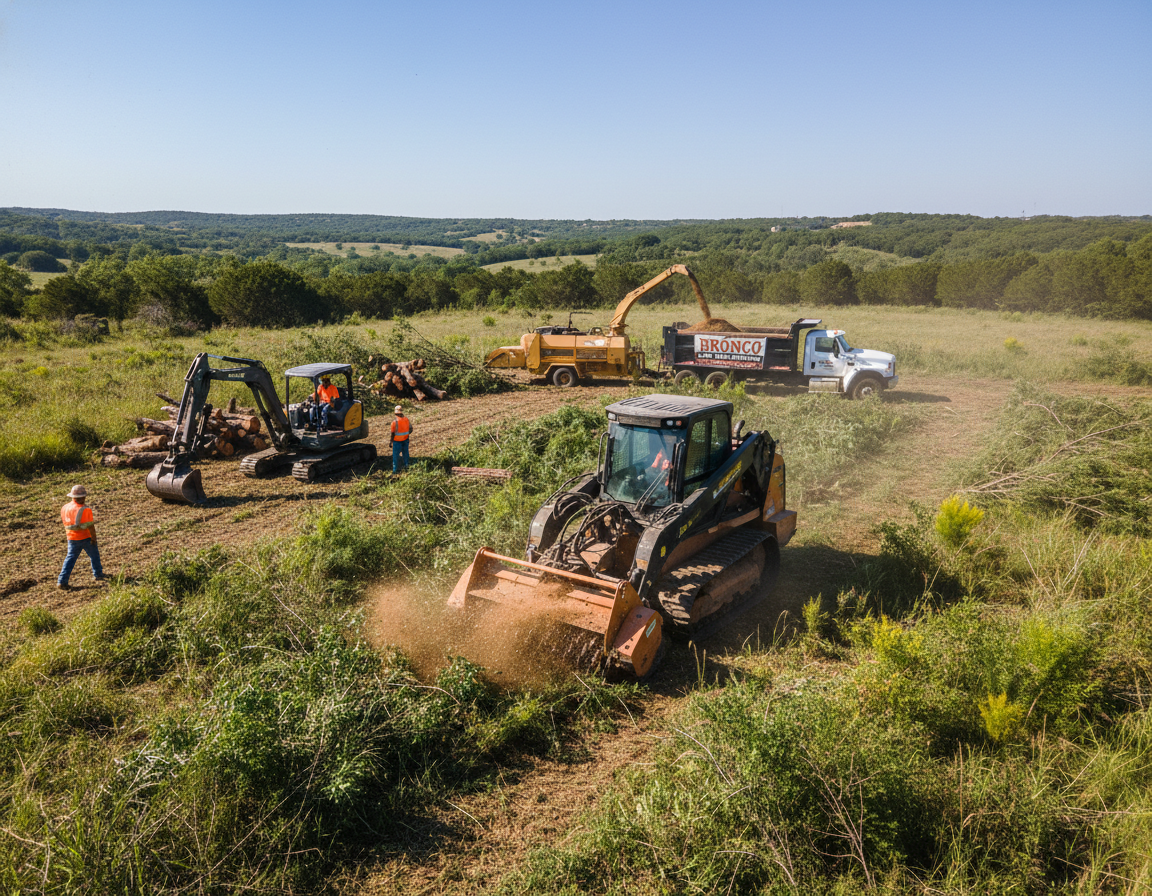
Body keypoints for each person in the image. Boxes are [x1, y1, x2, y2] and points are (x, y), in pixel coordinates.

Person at [57, 485, 105, 590]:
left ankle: (62, 581)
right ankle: (98, 574)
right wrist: (94, 538)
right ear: (83, 497)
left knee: (70, 559)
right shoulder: (85, 509)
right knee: (94, 556)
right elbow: (90, 526)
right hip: (85, 537)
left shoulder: (65, 507)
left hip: (71, 538)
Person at [390, 405, 412, 473]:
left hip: (397, 442)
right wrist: (406, 434)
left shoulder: (394, 422)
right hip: (405, 440)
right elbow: (411, 429)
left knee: (395, 456)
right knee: (405, 454)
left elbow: (393, 433)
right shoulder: (406, 419)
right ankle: (407, 466)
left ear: (395, 413)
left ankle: (395, 470)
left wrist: (391, 442)